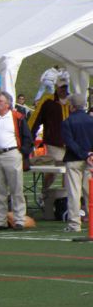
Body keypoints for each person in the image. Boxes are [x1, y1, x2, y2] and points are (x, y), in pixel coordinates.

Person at [0, 92, 33, 230]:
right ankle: (0, 220)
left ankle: (19, 219)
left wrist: (22, 152)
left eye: (0, 101)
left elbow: (27, 137)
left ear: (7, 104)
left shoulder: (17, 117)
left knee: (16, 187)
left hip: (11, 153)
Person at [29, 80, 70, 202]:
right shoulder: (47, 101)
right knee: (54, 170)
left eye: (65, 87)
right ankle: (45, 192)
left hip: (71, 143)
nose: (63, 90)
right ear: (56, 87)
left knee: (68, 172)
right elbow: (35, 119)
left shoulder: (71, 101)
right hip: (54, 142)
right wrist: (29, 137)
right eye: (61, 87)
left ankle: (65, 198)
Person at [61, 93, 93, 233]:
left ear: (72, 106)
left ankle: (75, 224)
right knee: (90, 192)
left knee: (74, 193)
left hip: (74, 159)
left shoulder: (67, 122)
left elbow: (70, 142)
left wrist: (82, 154)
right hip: (90, 160)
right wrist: (89, 154)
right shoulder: (90, 120)